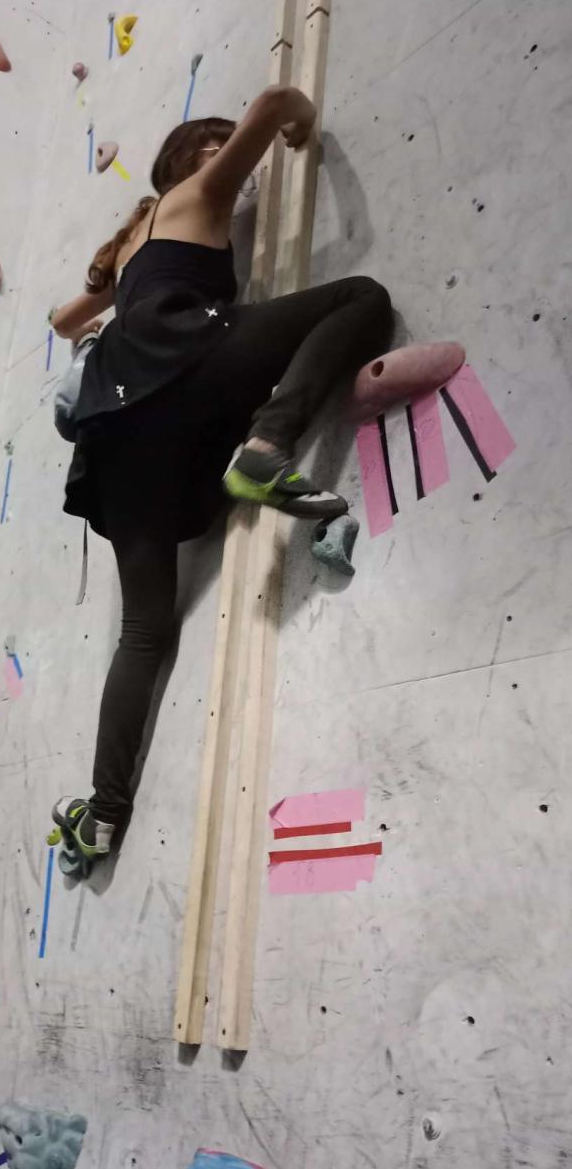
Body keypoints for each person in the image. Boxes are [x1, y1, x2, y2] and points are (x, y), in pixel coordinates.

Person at [49, 85, 392, 873]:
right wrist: (300, 127)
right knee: (361, 298)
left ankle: (103, 816)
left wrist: (104, 310)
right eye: (219, 148)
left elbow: (63, 321)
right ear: (199, 157)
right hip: (184, 357)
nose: (237, 169)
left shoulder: (131, 244)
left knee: (144, 632)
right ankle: (268, 443)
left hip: (117, 426)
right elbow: (275, 103)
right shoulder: (199, 192)